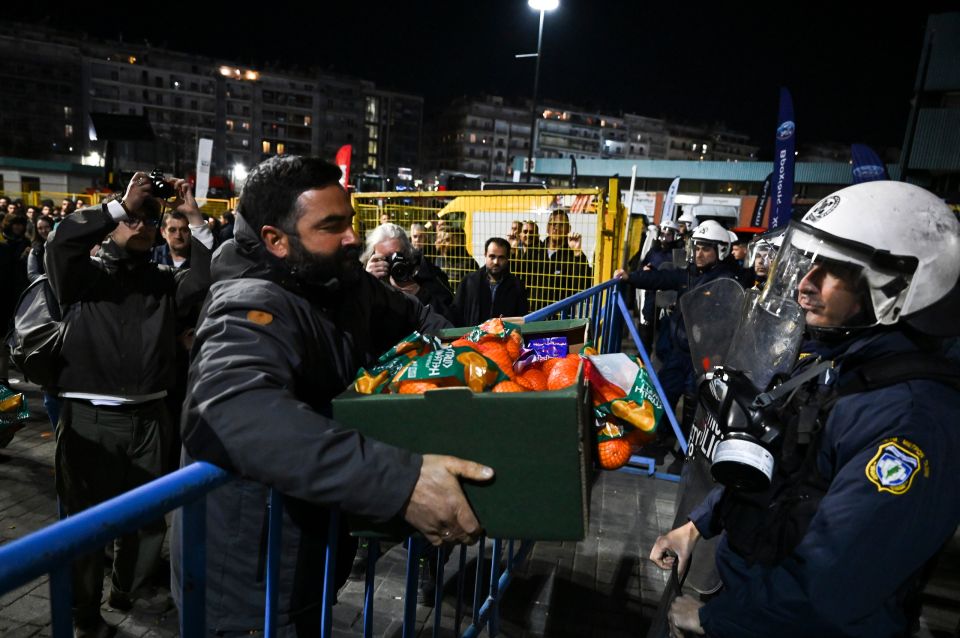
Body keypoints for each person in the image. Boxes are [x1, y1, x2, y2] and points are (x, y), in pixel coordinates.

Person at [171, 156, 492, 635]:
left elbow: (417, 318)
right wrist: (400, 482)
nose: (352, 239)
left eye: (351, 221)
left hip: (312, 551)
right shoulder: (247, 303)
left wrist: (488, 356)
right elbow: (232, 408)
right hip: (247, 581)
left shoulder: (340, 279)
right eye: (332, 226)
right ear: (276, 240)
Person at [651, 181, 960, 637]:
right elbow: (784, 468)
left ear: (895, 287)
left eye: (832, 271)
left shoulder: (911, 420)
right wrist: (697, 526)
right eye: (808, 264)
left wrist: (716, 619)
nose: (804, 284)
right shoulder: (839, 362)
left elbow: (836, 584)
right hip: (755, 597)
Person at [46, 172, 213, 637]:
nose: (139, 226)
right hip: (89, 416)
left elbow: (204, 280)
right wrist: (122, 203)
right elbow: (61, 244)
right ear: (114, 223)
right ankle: (84, 614)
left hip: (150, 415)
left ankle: (129, 590)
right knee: (86, 526)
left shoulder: (163, 281)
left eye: (148, 220)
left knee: (145, 521)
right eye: (131, 219)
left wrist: (194, 216)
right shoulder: (83, 276)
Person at [615, 220, 741, 464]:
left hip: (705, 356)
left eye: (706, 248)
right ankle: (659, 442)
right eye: (697, 247)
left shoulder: (727, 280)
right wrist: (631, 277)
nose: (699, 253)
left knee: (695, 405)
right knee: (663, 394)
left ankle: (688, 452)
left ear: (721, 250)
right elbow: (662, 278)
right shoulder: (690, 274)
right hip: (679, 351)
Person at [363, 222, 455, 322]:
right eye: (386, 258)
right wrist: (367, 282)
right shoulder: (369, 277)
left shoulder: (427, 273)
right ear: (373, 256)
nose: (394, 263)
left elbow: (450, 317)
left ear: (408, 251)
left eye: (397, 256)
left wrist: (419, 293)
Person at [451, 237, 529, 327]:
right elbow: (456, 314)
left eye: (501, 258)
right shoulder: (469, 282)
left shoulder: (516, 286)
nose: (496, 262)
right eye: (492, 256)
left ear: (507, 258)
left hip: (504, 339)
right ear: (485, 255)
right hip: (472, 339)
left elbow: (522, 319)